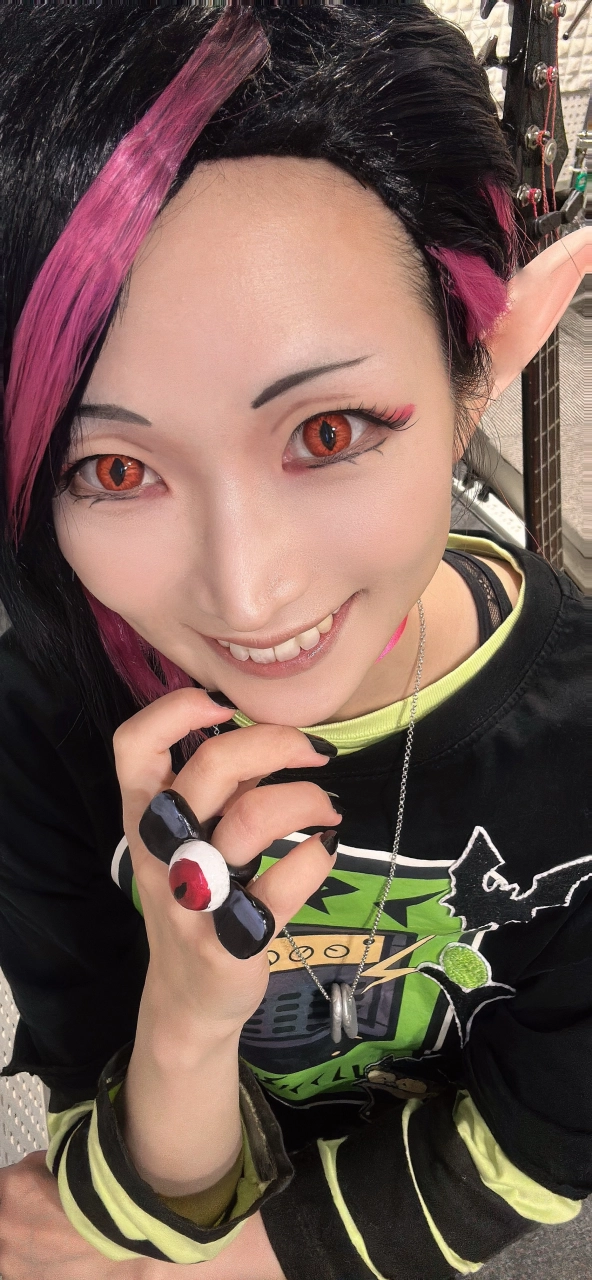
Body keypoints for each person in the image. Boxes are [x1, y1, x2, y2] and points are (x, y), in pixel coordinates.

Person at [0, 4, 589, 1279]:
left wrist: (198, 1260)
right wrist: (186, 1020)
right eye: (114, 468)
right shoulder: (46, 712)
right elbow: (108, 1149)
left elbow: (548, 1134)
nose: (247, 591)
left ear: (484, 357)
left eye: (327, 433)